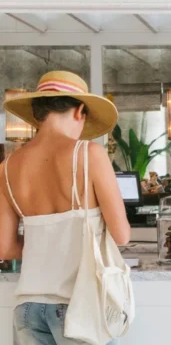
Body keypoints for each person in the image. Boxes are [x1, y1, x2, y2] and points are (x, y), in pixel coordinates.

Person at [0, 71, 131, 345]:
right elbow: (122, 235)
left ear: (38, 113)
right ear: (80, 110)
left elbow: (5, 247)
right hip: (78, 306)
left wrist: (47, 243)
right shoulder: (89, 154)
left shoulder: (7, 168)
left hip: (27, 310)